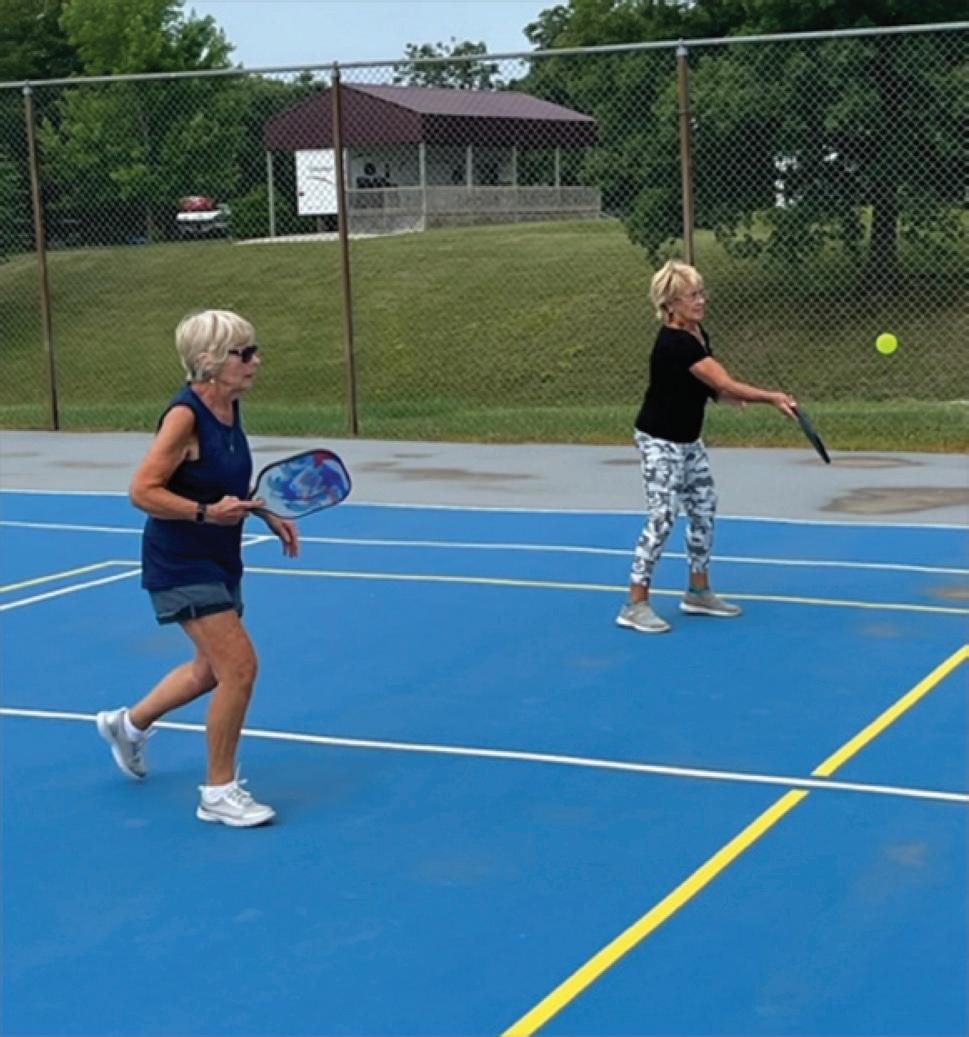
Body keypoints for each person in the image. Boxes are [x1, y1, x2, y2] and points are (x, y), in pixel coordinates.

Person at [96, 310, 298, 826]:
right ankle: (218, 792)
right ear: (210, 361)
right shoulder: (184, 417)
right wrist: (206, 513)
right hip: (180, 561)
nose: (255, 361)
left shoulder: (229, 407)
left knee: (210, 670)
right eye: (243, 353)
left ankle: (128, 724)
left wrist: (264, 511)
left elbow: (217, 481)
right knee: (240, 668)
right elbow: (142, 491)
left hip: (219, 556)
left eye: (253, 350)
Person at [616, 261, 796, 634]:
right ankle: (635, 604)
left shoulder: (696, 333)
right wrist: (771, 397)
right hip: (659, 440)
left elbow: (703, 383)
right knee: (663, 516)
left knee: (703, 507)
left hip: (688, 440)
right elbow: (722, 380)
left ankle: (698, 592)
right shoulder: (675, 343)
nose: (700, 301)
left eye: (701, 293)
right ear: (670, 304)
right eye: (691, 296)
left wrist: (721, 395)